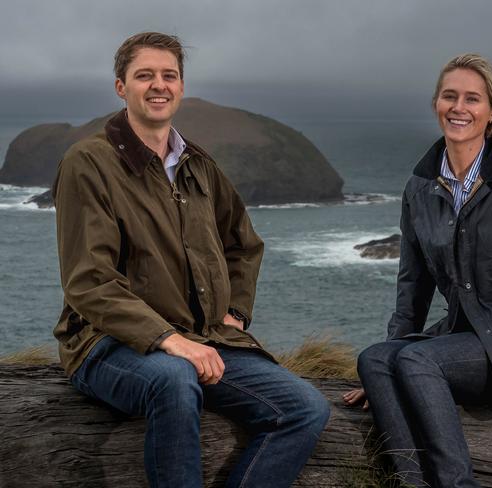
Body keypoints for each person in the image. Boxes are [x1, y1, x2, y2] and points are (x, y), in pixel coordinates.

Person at [52, 32, 329, 488]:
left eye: (169, 75)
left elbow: (243, 244)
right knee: (174, 380)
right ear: (121, 86)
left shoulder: (198, 164)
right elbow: (89, 281)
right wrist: (166, 339)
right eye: (145, 75)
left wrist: (236, 311)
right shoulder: (88, 162)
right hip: (107, 344)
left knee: (304, 409)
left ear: (181, 86)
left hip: (202, 337)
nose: (158, 85)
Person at [343, 53, 492, 487]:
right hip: (464, 339)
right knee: (375, 360)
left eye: (472, 99)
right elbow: (412, 286)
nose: (459, 107)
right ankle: (412, 483)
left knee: (417, 359)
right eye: (449, 96)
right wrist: (390, 368)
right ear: (437, 103)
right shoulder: (420, 187)